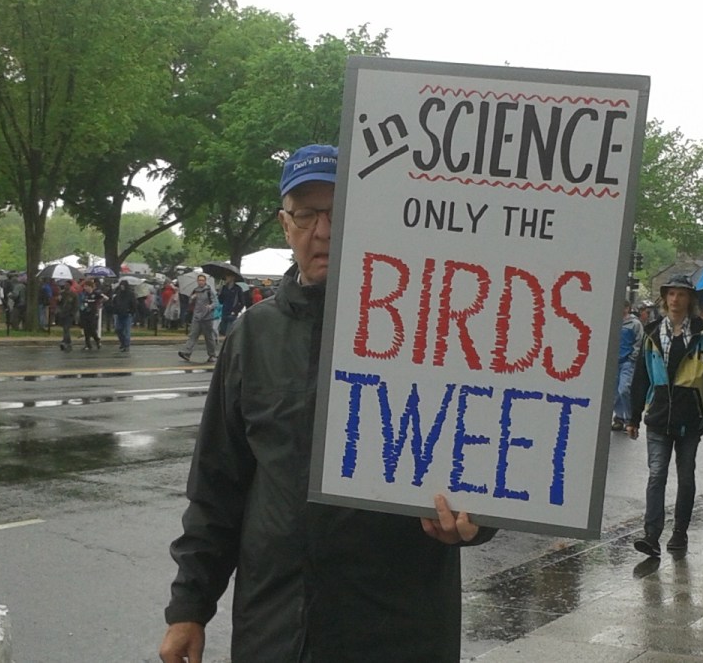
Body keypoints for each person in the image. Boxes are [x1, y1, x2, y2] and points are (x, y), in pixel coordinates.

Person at [160, 145, 494, 663]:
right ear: (285, 224)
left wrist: (478, 522)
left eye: (340, 213)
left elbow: (486, 466)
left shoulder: (433, 333)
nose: (324, 231)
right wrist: (189, 608)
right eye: (306, 214)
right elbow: (217, 485)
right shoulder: (254, 335)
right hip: (275, 629)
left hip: (396, 629)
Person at [627, 274, 703, 557]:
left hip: (690, 416)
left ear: (690, 300)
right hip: (658, 416)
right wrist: (633, 417)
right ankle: (651, 535)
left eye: (681, 295)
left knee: (685, 477)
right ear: (664, 299)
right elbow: (641, 378)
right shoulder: (651, 332)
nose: (675, 300)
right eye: (670, 294)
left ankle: (680, 533)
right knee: (657, 474)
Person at [612, 299, 643, 432]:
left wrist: (633, 356)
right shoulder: (613, 322)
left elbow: (639, 340)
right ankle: (619, 417)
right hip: (614, 362)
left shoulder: (634, 323)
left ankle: (630, 417)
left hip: (627, 361)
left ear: (627, 308)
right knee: (615, 391)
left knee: (624, 389)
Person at [176, 274, 218, 364]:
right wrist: (192, 298)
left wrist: (210, 306)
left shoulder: (209, 290)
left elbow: (215, 303)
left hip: (207, 317)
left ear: (205, 281)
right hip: (197, 316)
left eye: (202, 280)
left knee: (209, 337)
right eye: (199, 280)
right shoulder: (195, 291)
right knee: (193, 335)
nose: (201, 282)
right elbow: (190, 303)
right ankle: (186, 353)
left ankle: (212, 355)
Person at [78, 279, 105, 351]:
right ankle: (88, 344)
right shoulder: (85, 294)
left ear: (91, 287)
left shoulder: (96, 294)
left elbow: (104, 298)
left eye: (87, 286)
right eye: (85, 286)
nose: (85, 288)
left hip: (93, 314)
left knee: (92, 329)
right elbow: (83, 303)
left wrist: (99, 304)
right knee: (86, 329)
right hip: (85, 313)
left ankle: (97, 340)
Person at [110, 279, 135, 352]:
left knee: (127, 331)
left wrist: (131, 312)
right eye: (121, 285)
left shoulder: (130, 294)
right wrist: (115, 310)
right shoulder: (118, 294)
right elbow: (114, 303)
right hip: (119, 314)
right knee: (118, 329)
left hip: (127, 314)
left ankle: (126, 345)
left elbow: (134, 304)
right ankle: (123, 342)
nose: (122, 287)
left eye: (123, 286)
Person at [55, 279, 79, 351]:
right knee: (65, 329)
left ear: (70, 286)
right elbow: (59, 304)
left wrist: (73, 313)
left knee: (66, 328)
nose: (66, 286)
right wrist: (58, 300)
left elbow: (76, 305)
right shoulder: (62, 294)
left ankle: (64, 341)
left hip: (69, 314)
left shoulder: (73, 295)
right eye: (65, 285)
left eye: (67, 285)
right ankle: (68, 341)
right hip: (63, 313)